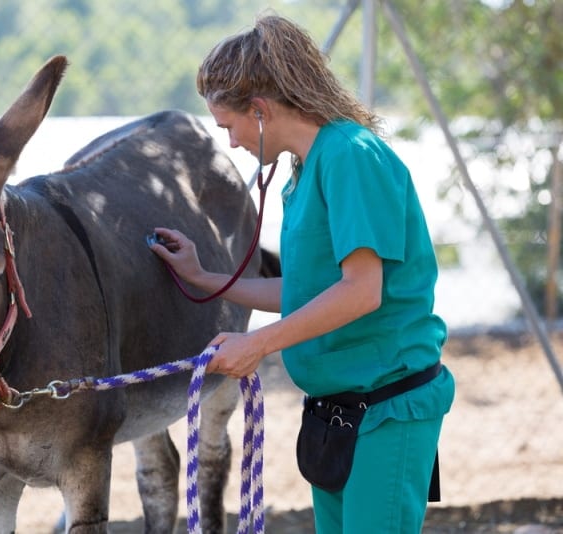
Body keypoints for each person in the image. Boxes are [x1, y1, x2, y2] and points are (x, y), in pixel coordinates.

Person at [149, 13, 455, 534]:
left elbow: (361, 292)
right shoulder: (307, 167)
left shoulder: (352, 157)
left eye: (230, 126)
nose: (232, 143)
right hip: (337, 414)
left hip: (386, 411)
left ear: (261, 111)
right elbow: (309, 292)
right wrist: (204, 277)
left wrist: (259, 345)